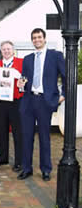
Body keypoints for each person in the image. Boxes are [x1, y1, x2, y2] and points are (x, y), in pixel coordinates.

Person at [17, 28, 65, 181]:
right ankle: (26, 168)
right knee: (26, 136)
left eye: (39, 37)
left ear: (44, 39)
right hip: (28, 101)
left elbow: (66, 77)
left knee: (44, 137)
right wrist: (20, 84)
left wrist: (62, 96)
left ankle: (45, 169)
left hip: (45, 101)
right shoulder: (27, 58)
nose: (37, 40)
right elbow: (24, 79)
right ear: (32, 40)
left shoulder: (55, 56)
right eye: (34, 38)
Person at [0, 41, 23, 172]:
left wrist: (20, 78)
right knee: (2, 130)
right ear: (1, 52)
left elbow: (26, 79)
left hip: (16, 102)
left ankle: (19, 161)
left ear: (13, 50)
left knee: (17, 132)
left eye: (8, 49)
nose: (6, 51)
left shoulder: (21, 62)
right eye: (4, 50)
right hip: (1, 102)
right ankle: (3, 157)